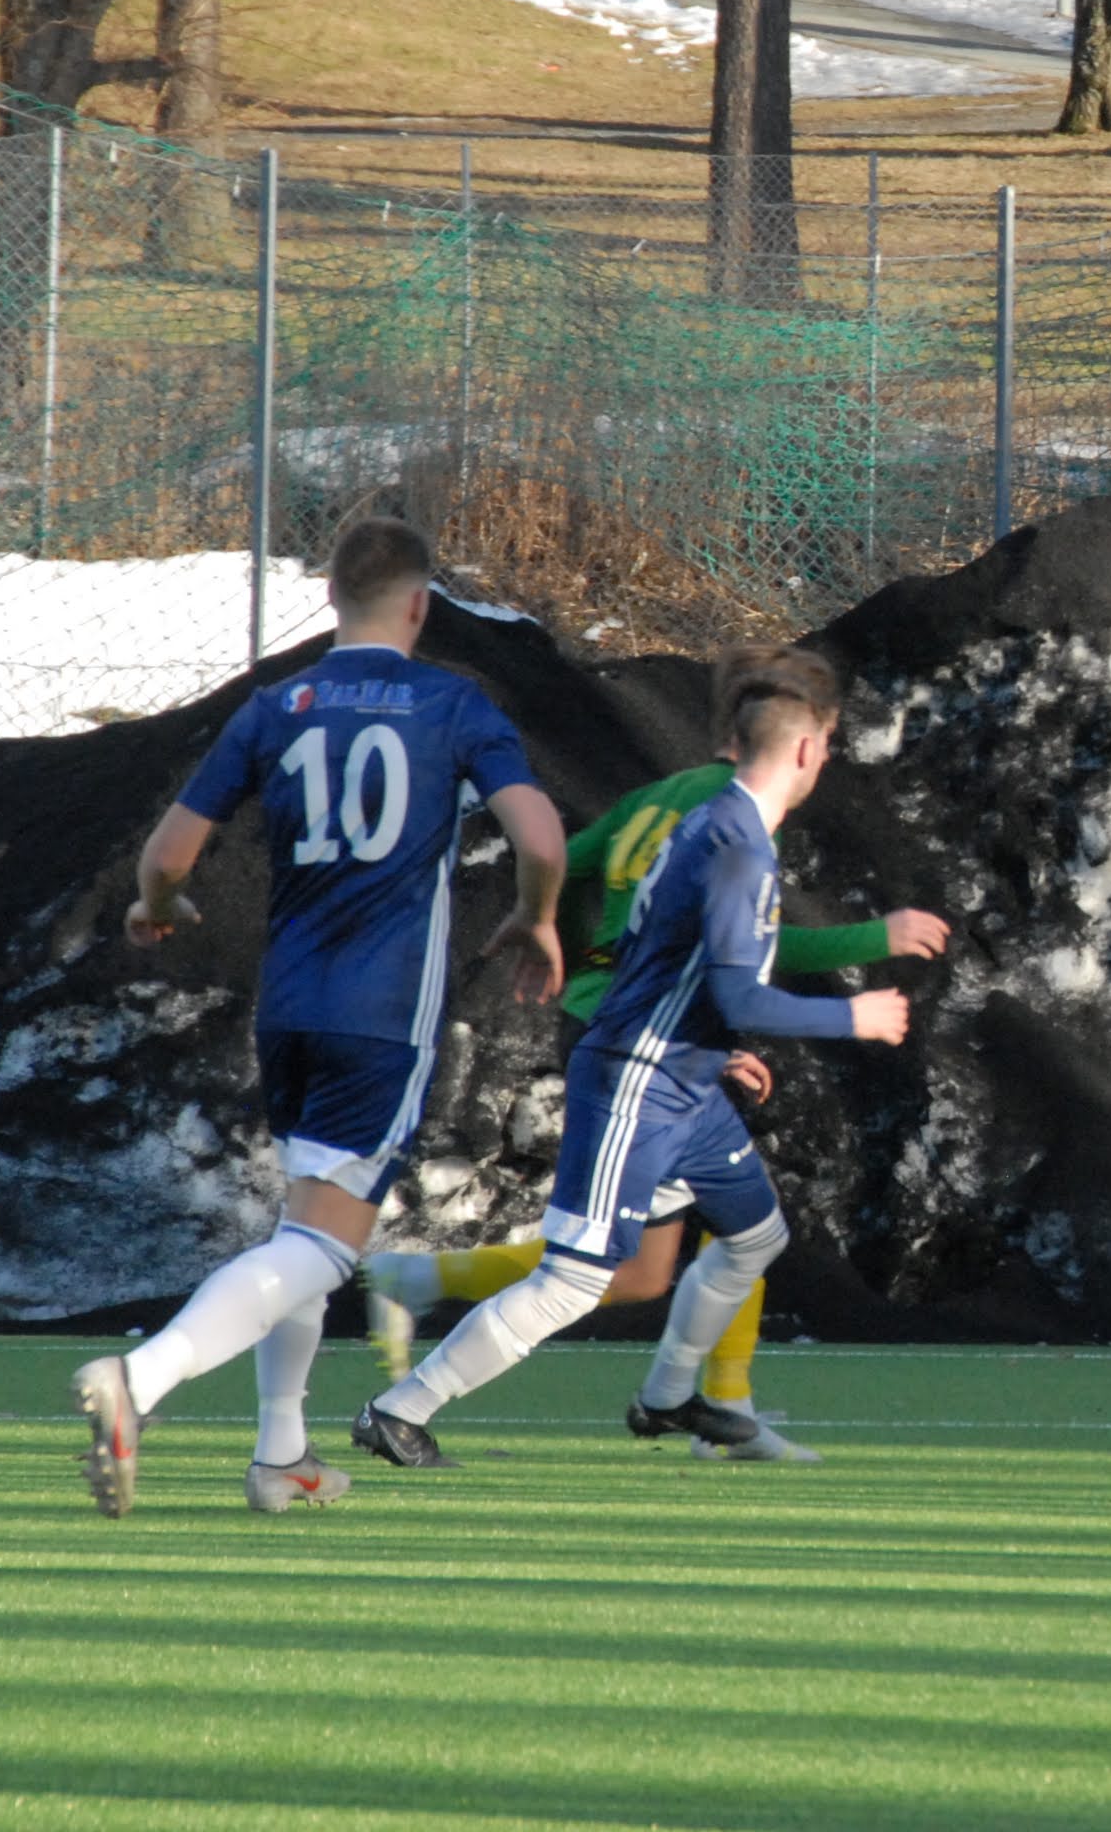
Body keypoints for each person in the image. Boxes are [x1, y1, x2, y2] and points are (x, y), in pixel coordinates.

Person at [74, 517, 567, 1517]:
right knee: (325, 1248)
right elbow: (540, 837)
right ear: (421, 605)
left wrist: (157, 906)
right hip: (381, 1012)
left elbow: (167, 857)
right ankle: (143, 1377)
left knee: (301, 1223)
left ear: (331, 597)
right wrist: (537, 916)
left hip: (290, 1005)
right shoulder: (452, 702)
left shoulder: (277, 706)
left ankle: (281, 1454)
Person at [358, 678, 949, 1463]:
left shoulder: (713, 821)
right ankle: (399, 1410)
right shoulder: (737, 849)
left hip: (684, 1077)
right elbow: (741, 991)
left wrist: (703, 1041)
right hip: (637, 1082)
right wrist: (853, 1017)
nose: (828, 760)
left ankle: (668, 1398)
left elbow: (668, 952)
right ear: (806, 750)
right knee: (574, 1280)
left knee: (755, 1237)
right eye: (829, 746)